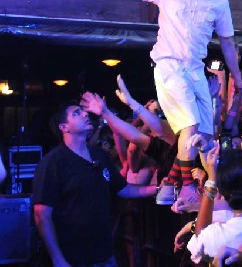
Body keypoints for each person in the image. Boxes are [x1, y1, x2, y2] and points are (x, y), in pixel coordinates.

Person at [119, 0, 242, 206]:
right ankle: (187, 187)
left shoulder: (219, 3)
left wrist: (239, 79)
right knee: (190, 126)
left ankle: (169, 181)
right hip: (169, 65)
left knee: (205, 136)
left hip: (196, 68)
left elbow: (228, 44)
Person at [32, 103, 156, 266]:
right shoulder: (53, 162)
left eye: (84, 111)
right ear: (64, 127)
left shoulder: (99, 155)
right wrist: (57, 259)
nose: (85, 114)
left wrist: (158, 189)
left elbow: (123, 189)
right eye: (76, 113)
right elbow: (42, 214)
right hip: (72, 257)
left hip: (104, 254)